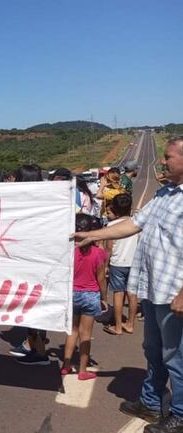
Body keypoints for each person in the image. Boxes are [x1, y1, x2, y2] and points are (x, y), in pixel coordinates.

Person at [73, 137, 183, 432]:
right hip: (153, 289)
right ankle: (151, 402)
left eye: (168, 157)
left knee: (176, 357)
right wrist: (93, 235)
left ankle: (180, 416)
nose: (163, 161)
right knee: (153, 350)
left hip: (174, 293)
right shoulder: (165, 195)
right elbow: (134, 223)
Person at [8, 164, 52, 366]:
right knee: (34, 305)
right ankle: (32, 344)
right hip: (41, 262)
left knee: (33, 306)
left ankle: (40, 352)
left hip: (31, 263)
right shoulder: (46, 202)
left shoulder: (22, 204)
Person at [62, 214, 108, 380]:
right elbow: (101, 278)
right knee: (86, 333)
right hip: (90, 294)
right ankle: (82, 370)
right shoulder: (98, 253)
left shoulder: (70, 251)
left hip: (72, 293)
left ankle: (66, 365)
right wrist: (104, 297)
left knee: (72, 330)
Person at [103, 194, 139, 336]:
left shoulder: (111, 225)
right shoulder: (136, 223)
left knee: (118, 294)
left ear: (115, 209)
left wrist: (106, 265)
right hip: (134, 262)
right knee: (132, 294)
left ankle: (117, 327)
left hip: (118, 263)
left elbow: (108, 249)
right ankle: (130, 324)